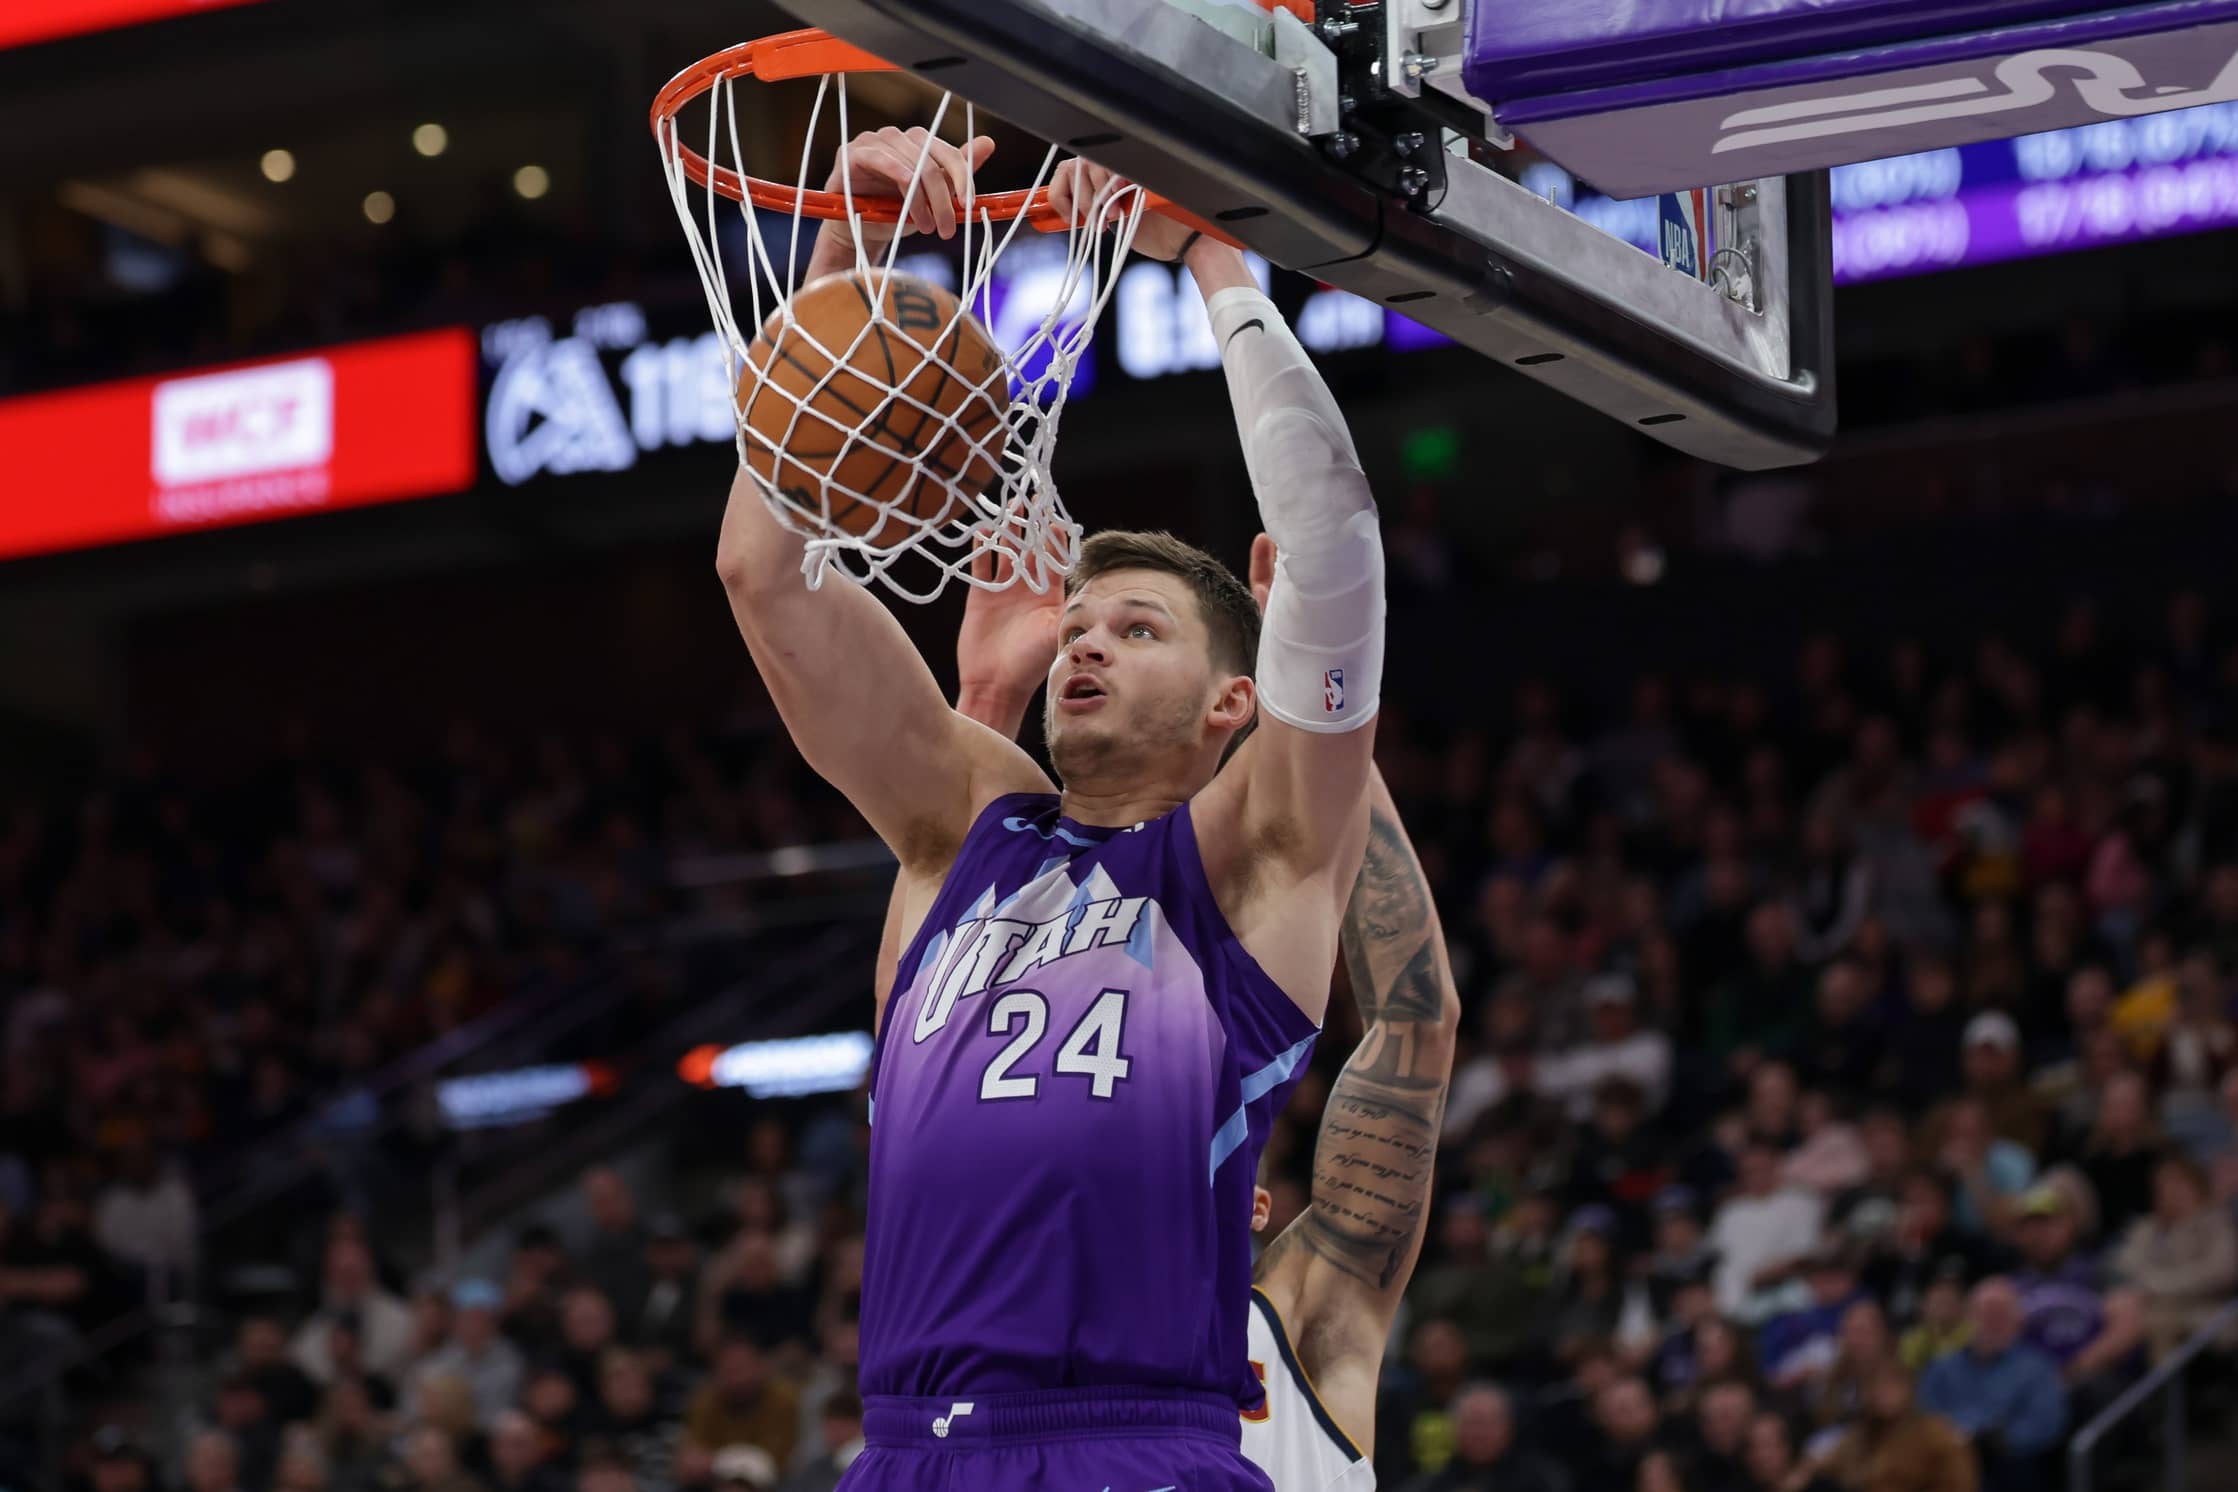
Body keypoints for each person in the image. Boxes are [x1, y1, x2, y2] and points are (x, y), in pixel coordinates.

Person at [731, 129, 1384, 1492]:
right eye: (1078, 622)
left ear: (1234, 699)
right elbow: (765, 577)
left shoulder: (1251, 864)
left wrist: (1211, 256)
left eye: (1138, 629)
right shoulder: (965, 831)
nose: (1084, 641)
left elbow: (1333, 544)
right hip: (904, 1453)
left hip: (1128, 1443)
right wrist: (848, 277)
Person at [877, 524, 1456, 1491]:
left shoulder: (1307, 1318)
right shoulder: (1005, 1321)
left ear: (1256, 1207)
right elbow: (927, 1041)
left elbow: (1415, 1023)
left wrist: (1316, 696)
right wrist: (986, 703)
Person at [1916, 1281, 2066, 1492]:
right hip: (1948, 1457)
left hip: (2008, 1462)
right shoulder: (1942, 1367)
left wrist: (2001, 1440)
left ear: (2018, 1321)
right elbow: (1924, 1413)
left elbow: (2046, 1422)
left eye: (2000, 1314)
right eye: (1985, 1314)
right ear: (1969, 1318)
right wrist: (1953, 1440)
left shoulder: (2037, 1368)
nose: (1992, 1322)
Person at [2110, 1153, 2238, 1359]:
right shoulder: (2147, 1227)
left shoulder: (2217, 1224)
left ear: (2195, 1185)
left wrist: (2157, 1286)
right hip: (2147, 1305)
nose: (2170, 1191)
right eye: (2163, 1185)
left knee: (2154, 1321)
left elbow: (2220, 1272)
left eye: (2177, 1183)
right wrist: (2147, 1288)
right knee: (2116, 1310)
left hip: (2205, 1310)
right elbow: (2126, 1266)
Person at [1821, 1361, 1976, 1492]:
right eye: (1876, 1385)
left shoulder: (1936, 1434)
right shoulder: (1861, 1434)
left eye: (1892, 1384)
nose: (1884, 1393)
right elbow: (1826, 1465)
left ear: (1908, 1389)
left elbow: (1959, 1483)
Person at [1396, 1385, 1565, 1492]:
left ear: (1509, 1427)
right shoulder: (1430, 1484)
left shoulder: (1543, 1480)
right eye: (1471, 1423)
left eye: (1489, 1423)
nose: (1480, 1433)